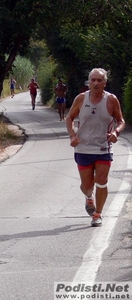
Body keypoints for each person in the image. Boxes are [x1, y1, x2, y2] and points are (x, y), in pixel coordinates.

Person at [65, 68, 125, 227]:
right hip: (83, 148)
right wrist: (72, 135)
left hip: (103, 148)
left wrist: (116, 133)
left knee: (102, 180)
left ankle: (98, 214)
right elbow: (69, 117)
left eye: (100, 80)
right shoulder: (81, 99)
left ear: (105, 83)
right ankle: (88, 197)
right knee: (87, 185)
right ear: (88, 82)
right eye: (93, 80)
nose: (96, 83)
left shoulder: (111, 100)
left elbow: (121, 121)